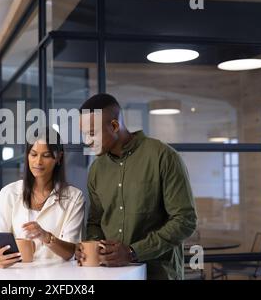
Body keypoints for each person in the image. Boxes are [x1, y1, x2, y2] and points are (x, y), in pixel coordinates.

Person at [76, 93, 197, 279]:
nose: (87, 141)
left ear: (114, 126)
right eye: (84, 134)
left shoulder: (163, 156)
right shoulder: (96, 170)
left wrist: (133, 252)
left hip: (159, 274)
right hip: (111, 276)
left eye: (92, 133)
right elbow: (95, 222)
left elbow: (185, 220)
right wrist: (93, 249)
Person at [0, 128, 85, 268]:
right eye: (33, 154)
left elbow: (71, 251)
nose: (38, 162)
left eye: (46, 155)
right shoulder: (8, 193)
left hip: (58, 277)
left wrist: (46, 236)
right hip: (17, 276)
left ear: (59, 157)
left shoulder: (74, 197)